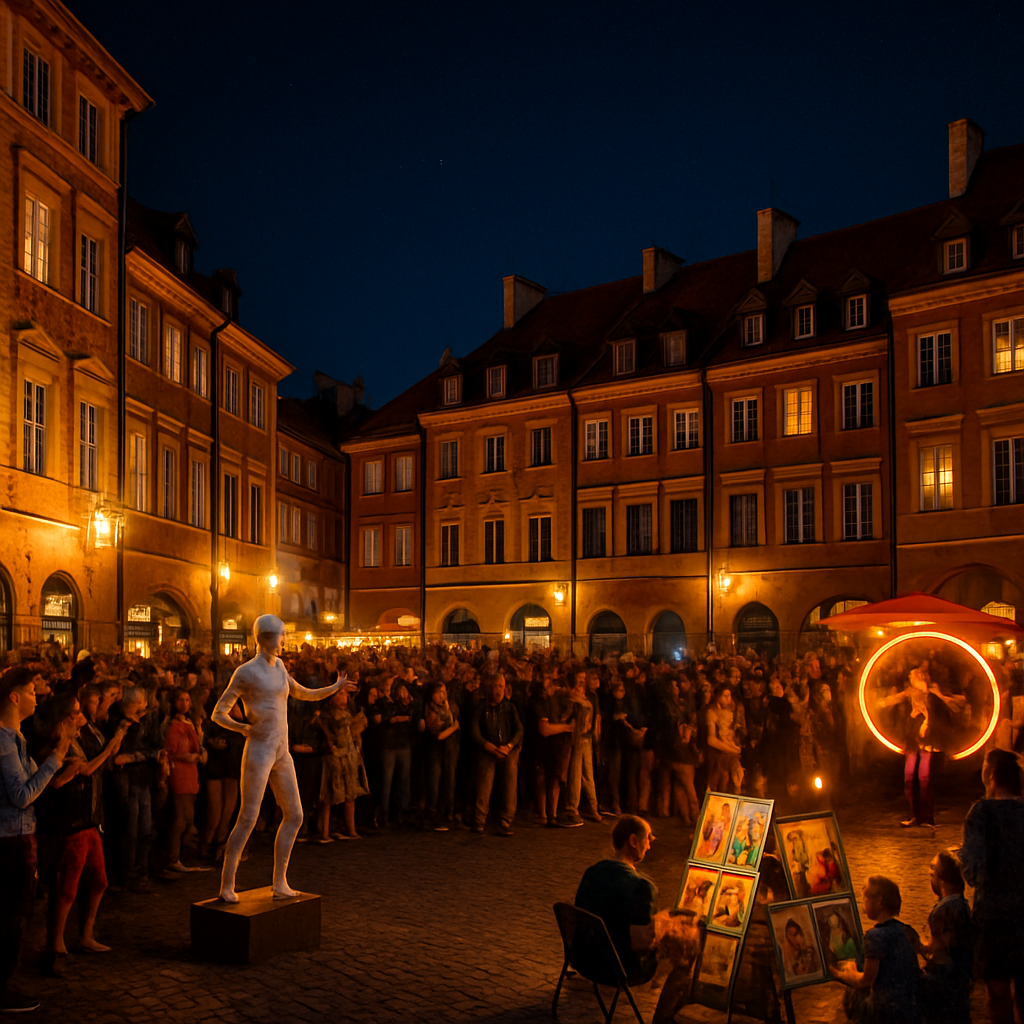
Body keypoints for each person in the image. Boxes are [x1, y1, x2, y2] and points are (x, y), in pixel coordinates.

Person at [211, 614, 345, 902]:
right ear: (265, 637)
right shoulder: (246, 672)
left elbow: (302, 693)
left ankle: (280, 881)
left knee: (295, 814)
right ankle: (226, 884)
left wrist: (334, 688)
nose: (284, 641)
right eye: (281, 635)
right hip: (259, 749)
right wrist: (244, 728)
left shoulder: (280, 666)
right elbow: (218, 712)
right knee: (248, 817)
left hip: (281, 751)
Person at [574, 815, 699, 1023]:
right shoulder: (641, 886)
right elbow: (640, 943)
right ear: (633, 841)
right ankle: (665, 1018)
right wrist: (665, 928)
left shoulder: (593, 872)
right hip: (619, 967)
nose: (649, 846)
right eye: (648, 839)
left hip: (582, 957)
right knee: (684, 953)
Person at [959, 747, 1024, 1024]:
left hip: (995, 918)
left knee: (997, 994)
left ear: (993, 775)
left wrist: (961, 858)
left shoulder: (982, 813)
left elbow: (974, 872)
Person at [831, 875, 919, 1023]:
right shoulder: (906, 930)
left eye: (865, 897)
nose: (863, 903)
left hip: (886, 1011)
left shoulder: (875, 937)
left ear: (879, 902)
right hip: (910, 1005)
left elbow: (866, 980)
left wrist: (842, 974)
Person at [916, 850, 971, 1024]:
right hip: (960, 982)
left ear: (941, 880)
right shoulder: (961, 905)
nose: (929, 877)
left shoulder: (944, 911)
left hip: (945, 983)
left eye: (932, 873)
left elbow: (937, 953)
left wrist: (915, 943)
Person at [163, 688, 210, 873]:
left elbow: (197, 745)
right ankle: (173, 857)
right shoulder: (172, 726)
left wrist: (201, 752)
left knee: (188, 815)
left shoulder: (189, 723)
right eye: (180, 700)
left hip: (192, 771)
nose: (184, 703)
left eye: (187, 700)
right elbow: (171, 751)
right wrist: (186, 756)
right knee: (181, 817)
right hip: (180, 771)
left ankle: (179, 853)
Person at [470, 674, 522, 836]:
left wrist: (509, 746)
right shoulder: (481, 707)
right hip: (488, 749)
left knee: (510, 776)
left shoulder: (509, 707)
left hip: (507, 749)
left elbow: (519, 730)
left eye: (501, 686)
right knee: (485, 778)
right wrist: (487, 746)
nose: (499, 690)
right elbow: (474, 731)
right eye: (496, 686)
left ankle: (506, 819)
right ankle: (479, 819)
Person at [315, 681, 367, 841]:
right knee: (329, 793)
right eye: (339, 694)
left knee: (350, 792)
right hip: (333, 756)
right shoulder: (325, 714)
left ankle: (351, 829)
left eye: (345, 694)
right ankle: (324, 831)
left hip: (350, 755)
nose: (343, 697)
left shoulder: (350, 711)